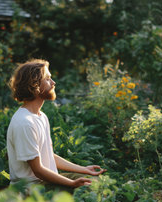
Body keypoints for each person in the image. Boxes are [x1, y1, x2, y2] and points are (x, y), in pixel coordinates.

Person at [6, 59, 106, 188]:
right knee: (90, 187)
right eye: (47, 79)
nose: (53, 83)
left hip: (45, 182)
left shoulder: (41, 116)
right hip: (32, 190)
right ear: (34, 85)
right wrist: (72, 183)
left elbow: (47, 155)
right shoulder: (24, 123)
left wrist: (84, 169)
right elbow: (38, 171)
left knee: (95, 181)